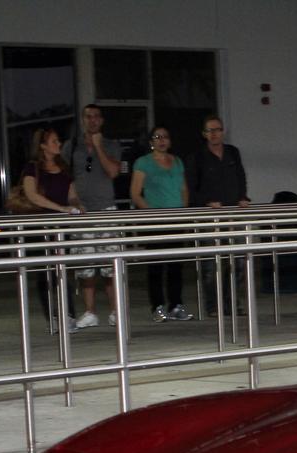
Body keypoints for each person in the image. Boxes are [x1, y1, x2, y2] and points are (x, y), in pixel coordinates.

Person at [63, 104, 122, 328]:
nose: (92, 120)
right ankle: (90, 312)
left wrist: (98, 147)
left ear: (102, 120)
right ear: (82, 119)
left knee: (110, 265)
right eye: (88, 116)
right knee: (86, 266)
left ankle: (115, 311)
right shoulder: (72, 146)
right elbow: (67, 177)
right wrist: (73, 201)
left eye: (96, 116)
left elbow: (113, 172)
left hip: (106, 210)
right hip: (83, 213)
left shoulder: (111, 145)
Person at [186, 115, 250, 316]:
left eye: (218, 129)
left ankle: (232, 302)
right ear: (204, 134)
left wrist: (242, 197)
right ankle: (213, 305)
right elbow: (191, 187)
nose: (214, 134)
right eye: (210, 130)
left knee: (238, 262)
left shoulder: (232, 152)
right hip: (210, 217)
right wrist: (206, 202)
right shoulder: (197, 157)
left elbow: (240, 177)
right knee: (211, 265)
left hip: (234, 214)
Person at [21, 127, 83, 332]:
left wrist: (76, 205)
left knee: (64, 271)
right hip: (41, 227)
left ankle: (69, 313)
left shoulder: (63, 166)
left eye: (58, 140)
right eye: (54, 141)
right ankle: (53, 316)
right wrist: (60, 208)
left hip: (61, 226)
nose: (58, 144)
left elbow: (71, 193)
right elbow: (32, 195)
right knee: (46, 273)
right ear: (43, 146)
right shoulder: (33, 168)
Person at [132, 126, 193, 322]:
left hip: (176, 220)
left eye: (165, 137)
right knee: (156, 266)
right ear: (151, 142)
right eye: (157, 137)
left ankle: (176, 305)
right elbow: (135, 193)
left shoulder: (177, 161)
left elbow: (183, 189)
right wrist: (151, 213)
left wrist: (183, 212)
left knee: (176, 266)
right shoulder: (143, 163)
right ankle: (157, 306)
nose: (162, 140)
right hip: (156, 220)